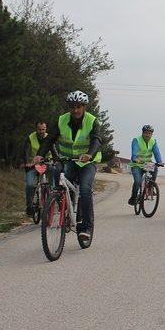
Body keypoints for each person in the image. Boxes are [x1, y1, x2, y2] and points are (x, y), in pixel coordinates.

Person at [34, 91, 102, 241]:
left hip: (87, 162)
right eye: (72, 107)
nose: (75, 110)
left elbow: (97, 140)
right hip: (67, 159)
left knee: (85, 190)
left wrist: (89, 154)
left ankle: (86, 227)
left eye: (79, 107)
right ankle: (64, 210)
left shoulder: (92, 121)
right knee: (62, 184)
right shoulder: (62, 120)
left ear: (84, 107)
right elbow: (49, 139)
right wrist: (40, 154)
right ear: (69, 107)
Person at [22, 121, 57, 216]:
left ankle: (53, 194)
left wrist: (56, 162)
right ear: (36, 129)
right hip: (33, 164)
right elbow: (25, 151)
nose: (41, 131)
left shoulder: (49, 137)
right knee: (30, 185)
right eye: (39, 129)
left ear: (46, 129)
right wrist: (27, 163)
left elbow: (54, 152)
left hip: (47, 163)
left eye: (43, 129)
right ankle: (29, 206)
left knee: (53, 172)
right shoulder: (31, 138)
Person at [128, 124, 163, 205]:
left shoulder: (153, 141)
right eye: (146, 133)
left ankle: (150, 188)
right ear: (142, 133)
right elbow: (134, 152)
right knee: (137, 181)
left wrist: (159, 161)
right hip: (136, 164)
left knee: (155, 168)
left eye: (150, 133)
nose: (148, 135)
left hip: (147, 164)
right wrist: (135, 158)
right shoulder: (136, 140)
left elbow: (156, 152)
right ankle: (133, 197)